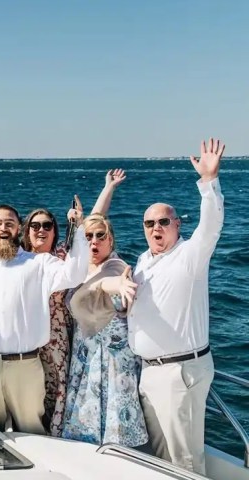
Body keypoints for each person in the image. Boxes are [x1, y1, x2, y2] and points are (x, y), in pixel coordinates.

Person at [129, 138, 225, 474]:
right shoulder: (143, 260)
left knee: (183, 460)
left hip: (178, 372)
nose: (156, 227)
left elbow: (211, 225)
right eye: (150, 223)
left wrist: (209, 182)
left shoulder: (190, 256)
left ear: (177, 225)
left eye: (164, 222)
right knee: (159, 458)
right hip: (150, 372)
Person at [0, 204, 88, 435]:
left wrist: (79, 229)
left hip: (26, 366)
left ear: (19, 228)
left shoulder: (39, 263)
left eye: (9, 224)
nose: (3, 228)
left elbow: (74, 274)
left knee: (32, 435)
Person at [61, 213, 148, 447]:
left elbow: (108, 282)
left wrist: (117, 285)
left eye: (101, 236)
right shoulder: (82, 270)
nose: (94, 241)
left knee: (116, 433)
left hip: (112, 363)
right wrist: (107, 189)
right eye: (88, 237)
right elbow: (91, 222)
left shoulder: (115, 267)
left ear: (111, 241)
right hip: (85, 360)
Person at [20, 207, 70, 436]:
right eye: (35, 225)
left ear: (54, 231)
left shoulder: (62, 256)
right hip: (26, 335)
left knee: (58, 386)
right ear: (27, 230)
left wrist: (109, 187)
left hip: (56, 334)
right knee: (30, 389)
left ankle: (54, 434)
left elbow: (89, 226)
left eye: (47, 225)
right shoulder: (17, 258)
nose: (41, 230)